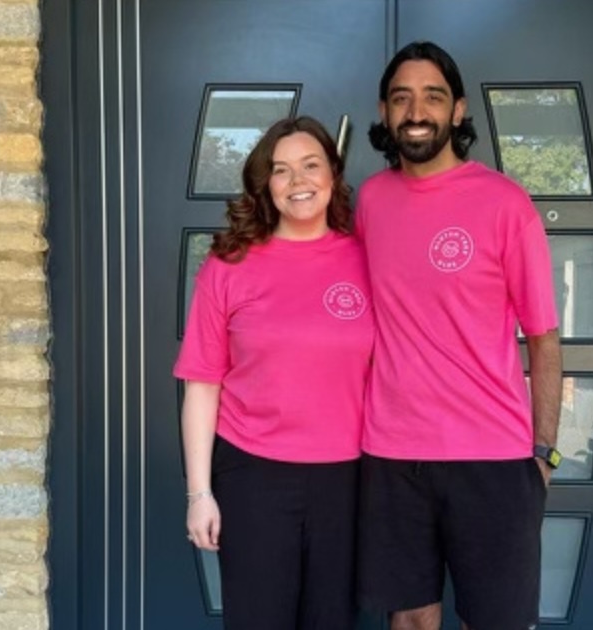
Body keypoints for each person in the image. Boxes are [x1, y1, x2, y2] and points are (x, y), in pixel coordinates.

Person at [355, 41, 564, 630]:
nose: (416, 110)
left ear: (459, 111)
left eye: (432, 96)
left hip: (492, 458)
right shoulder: (370, 201)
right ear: (384, 112)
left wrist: (543, 454)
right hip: (393, 455)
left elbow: (544, 337)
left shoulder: (505, 204)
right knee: (411, 621)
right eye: (402, 98)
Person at [174, 115, 373, 630]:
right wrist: (200, 494)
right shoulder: (229, 265)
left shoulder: (368, 258)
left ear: (333, 173)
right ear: (266, 184)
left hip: (348, 480)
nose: (298, 181)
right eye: (281, 171)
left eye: (311, 166)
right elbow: (201, 383)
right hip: (253, 475)